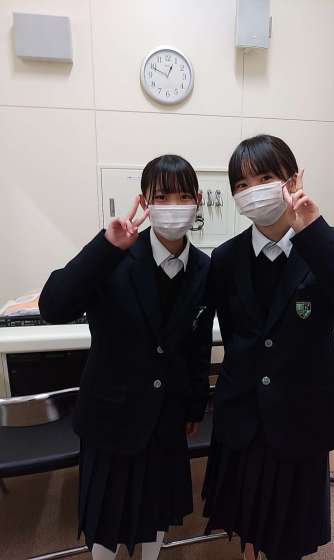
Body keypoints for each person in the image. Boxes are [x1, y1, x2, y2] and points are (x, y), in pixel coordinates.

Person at [202, 134, 334, 560]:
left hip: (303, 415)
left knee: (290, 533)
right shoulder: (225, 258)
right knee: (247, 520)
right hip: (243, 412)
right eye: (242, 184)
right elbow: (232, 333)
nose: (253, 191)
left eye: (265, 178)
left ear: (292, 180)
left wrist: (313, 233)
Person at [39, 154, 213, 560]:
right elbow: (53, 306)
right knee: (106, 516)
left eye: (183, 196)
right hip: (110, 413)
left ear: (198, 201)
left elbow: (198, 345)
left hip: (167, 414)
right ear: (145, 202)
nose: (173, 206)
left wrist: (194, 405)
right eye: (162, 197)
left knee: (156, 511)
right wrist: (105, 247)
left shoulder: (205, 268)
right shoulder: (114, 256)